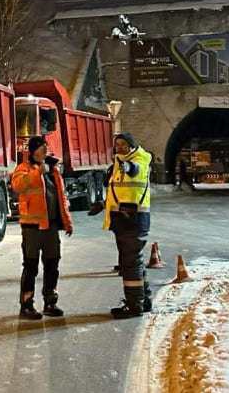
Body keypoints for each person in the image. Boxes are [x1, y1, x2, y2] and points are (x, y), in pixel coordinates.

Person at [89, 132, 153, 318]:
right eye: (117, 145)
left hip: (133, 220)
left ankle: (134, 306)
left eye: (124, 144)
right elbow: (119, 192)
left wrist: (126, 165)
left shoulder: (139, 160)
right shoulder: (118, 164)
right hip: (123, 221)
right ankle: (143, 299)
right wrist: (102, 205)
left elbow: (135, 170)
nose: (120, 147)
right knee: (135, 262)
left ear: (132, 145)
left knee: (130, 264)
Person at [11, 136, 74, 320]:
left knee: (52, 264)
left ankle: (50, 302)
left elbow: (61, 198)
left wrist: (67, 221)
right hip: (32, 227)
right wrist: (38, 172)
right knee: (31, 266)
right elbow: (18, 185)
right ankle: (27, 305)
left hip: (51, 227)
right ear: (33, 151)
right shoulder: (24, 169)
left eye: (46, 147)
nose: (45, 150)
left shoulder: (53, 171)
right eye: (42, 148)